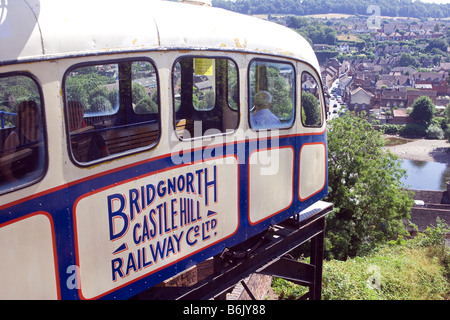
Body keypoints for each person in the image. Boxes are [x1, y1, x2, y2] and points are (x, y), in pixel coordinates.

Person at [0, 100, 44, 183]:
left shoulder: (43, 132)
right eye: (29, 115)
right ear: (21, 117)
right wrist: (16, 183)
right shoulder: (14, 136)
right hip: (26, 180)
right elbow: (4, 166)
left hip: (44, 176)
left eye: (35, 114)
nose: (34, 117)